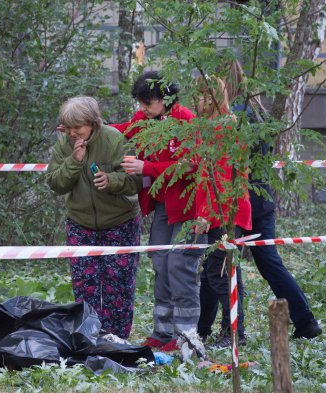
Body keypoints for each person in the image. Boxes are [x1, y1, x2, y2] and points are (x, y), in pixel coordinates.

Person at [110, 72, 209, 352]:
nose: (142, 108)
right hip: (164, 206)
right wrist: (88, 126)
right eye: (141, 102)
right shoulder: (145, 120)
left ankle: (186, 337)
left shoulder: (186, 120)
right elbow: (121, 130)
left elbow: (190, 165)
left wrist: (147, 168)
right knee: (160, 263)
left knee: (180, 266)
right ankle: (162, 333)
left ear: (165, 98)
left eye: (147, 102)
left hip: (190, 207)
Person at [223, 59, 322, 339]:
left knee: (226, 262)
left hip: (244, 199)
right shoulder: (254, 110)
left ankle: (232, 329)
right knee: (268, 262)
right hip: (260, 197)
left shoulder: (237, 116)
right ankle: (305, 320)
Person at [46, 96, 142, 339]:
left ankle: (116, 339)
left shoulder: (114, 139)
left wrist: (112, 181)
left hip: (120, 223)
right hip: (81, 225)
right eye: (68, 128)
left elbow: (136, 181)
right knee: (84, 286)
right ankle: (89, 337)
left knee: (118, 287)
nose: (72, 133)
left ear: (92, 122)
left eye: (77, 127)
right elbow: (55, 183)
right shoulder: (64, 145)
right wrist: (74, 161)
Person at [192, 76, 252, 348]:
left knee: (220, 275)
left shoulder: (224, 128)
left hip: (225, 212)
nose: (199, 102)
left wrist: (206, 214)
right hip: (218, 211)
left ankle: (234, 333)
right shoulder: (209, 127)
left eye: (204, 97)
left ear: (214, 98)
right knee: (212, 274)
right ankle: (205, 329)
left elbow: (220, 178)